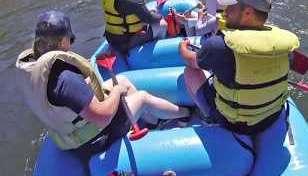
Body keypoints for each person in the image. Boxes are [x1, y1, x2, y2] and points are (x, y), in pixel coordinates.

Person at [16, 11, 190, 167]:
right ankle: (185, 113)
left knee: (122, 79)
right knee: (142, 97)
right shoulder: (65, 78)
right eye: (70, 38)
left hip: (69, 133)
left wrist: (115, 89)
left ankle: (153, 121)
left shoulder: (34, 67)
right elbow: (102, 118)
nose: (71, 42)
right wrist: (116, 92)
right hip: (92, 140)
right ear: (62, 42)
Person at [178, 0, 300, 135]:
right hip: (271, 117)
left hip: (234, 123)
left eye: (231, 7)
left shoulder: (218, 46)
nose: (225, 11)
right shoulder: (285, 47)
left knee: (190, 72)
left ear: (248, 12)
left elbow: (191, 61)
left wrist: (182, 48)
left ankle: (209, 117)